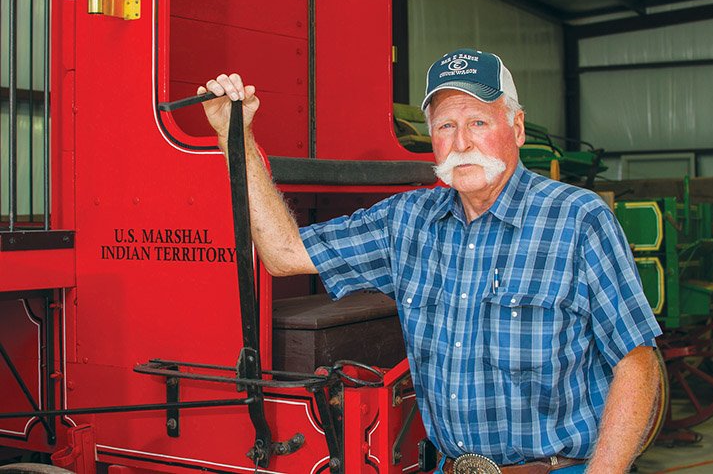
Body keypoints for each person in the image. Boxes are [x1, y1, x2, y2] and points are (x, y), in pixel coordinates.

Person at [199, 48, 662, 474]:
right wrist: (234, 137)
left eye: (479, 121)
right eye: (445, 126)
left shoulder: (578, 219)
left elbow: (637, 362)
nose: (462, 140)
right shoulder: (407, 221)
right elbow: (282, 254)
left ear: (516, 127)